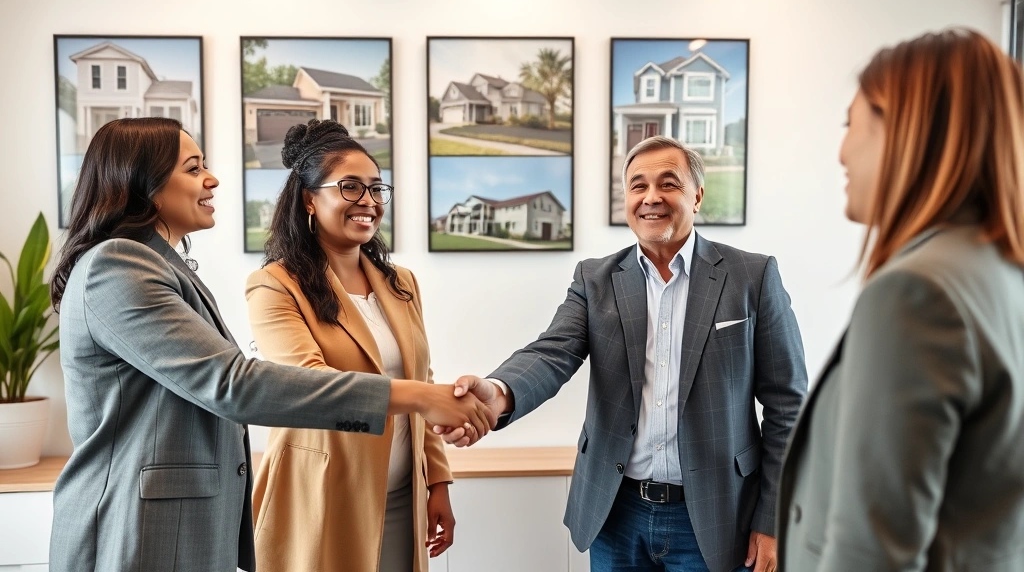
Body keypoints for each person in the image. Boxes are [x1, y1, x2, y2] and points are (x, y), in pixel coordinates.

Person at [47, 117, 492, 572]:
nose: (212, 178)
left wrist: (435, 471)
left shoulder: (163, 268)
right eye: (193, 167)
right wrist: (420, 397)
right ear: (142, 182)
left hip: (191, 521)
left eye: (377, 188)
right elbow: (235, 385)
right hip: (138, 526)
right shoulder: (118, 265)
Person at [442, 136, 808, 572]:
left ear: (697, 197)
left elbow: (788, 403)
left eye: (668, 183)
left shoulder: (752, 275)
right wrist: (498, 392)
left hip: (716, 513)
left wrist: (774, 518)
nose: (651, 197)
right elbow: (552, 352)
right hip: (617, 512)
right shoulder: (595, 279)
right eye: (638, 186)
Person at [776, 28, 1024, 572]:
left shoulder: (915, 294)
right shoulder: (999, 271)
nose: (841, 152)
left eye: (851, 123)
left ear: (909, 130)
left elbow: (873, 552)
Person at [244, 119, 453, 571]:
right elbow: (308, 387)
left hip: (402, 497)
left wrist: (437, 481)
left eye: (377, 189)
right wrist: (426, 397)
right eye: (351, 187)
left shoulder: (401, 283)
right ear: (309, 200)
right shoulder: (274, 286)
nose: (369, 203)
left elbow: (423, 380)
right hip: (322, 497)